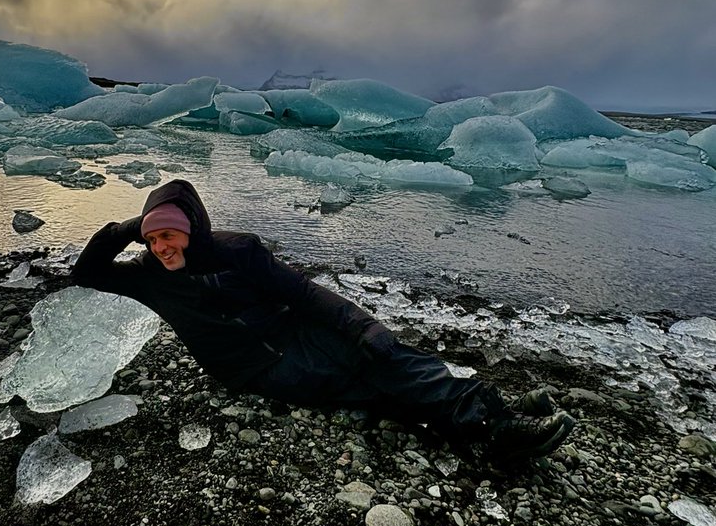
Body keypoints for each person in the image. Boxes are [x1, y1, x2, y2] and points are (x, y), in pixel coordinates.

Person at [71, 179, 575, 461]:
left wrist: (362, 324)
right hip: (258, 368)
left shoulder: (237, 250)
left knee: (378, 351)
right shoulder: (147, 275)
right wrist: (124, 228)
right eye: (153, 239)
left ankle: (490, 411)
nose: (162, 248)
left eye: (171, 236)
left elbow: (303, 293)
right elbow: (86, 273)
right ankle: (490, 423)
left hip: (291, 330)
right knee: (371, 380)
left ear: (193, 231)